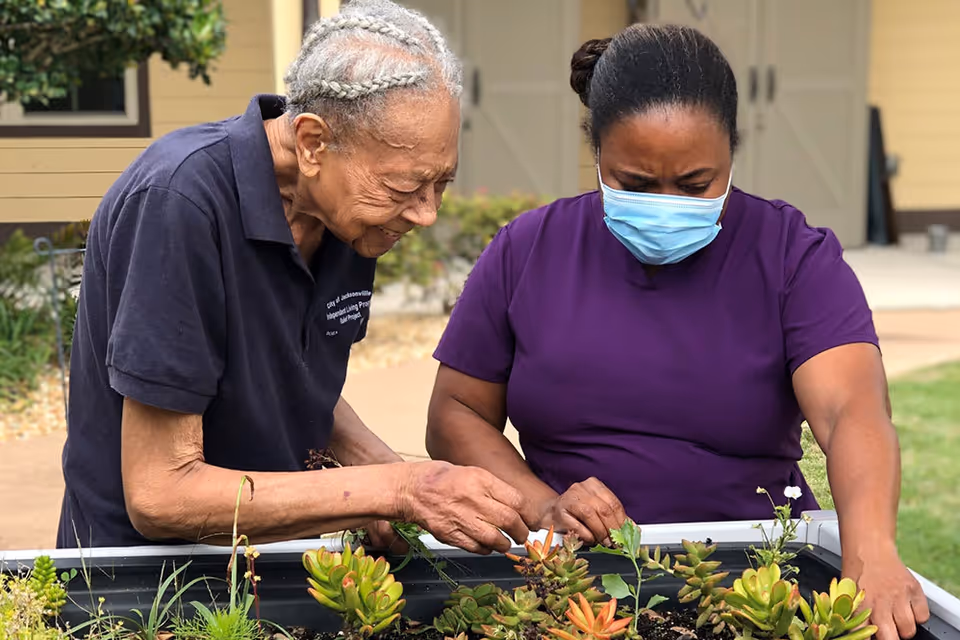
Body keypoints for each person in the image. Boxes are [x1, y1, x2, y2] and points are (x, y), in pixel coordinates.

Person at [425, 23, 930, 640]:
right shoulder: (526, 250)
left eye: (695, 185)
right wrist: (542, 507)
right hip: (576, 580)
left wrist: (872, 548)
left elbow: (853, 409)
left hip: (753, 577)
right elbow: (455, 413)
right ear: (597, 152)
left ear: (732, 153)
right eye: (635, 184)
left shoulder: (791, 256)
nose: (666, 203)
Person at [56, 0, 530, 556]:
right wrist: (395, 489)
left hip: (266, 559)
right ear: (312, 143)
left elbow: (295, 385)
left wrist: (405, 482)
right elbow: (163, 493)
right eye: (405, 188)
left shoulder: (351, 215)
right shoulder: (179, 201)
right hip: (140, 582)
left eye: (441, 184)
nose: (426, 213)